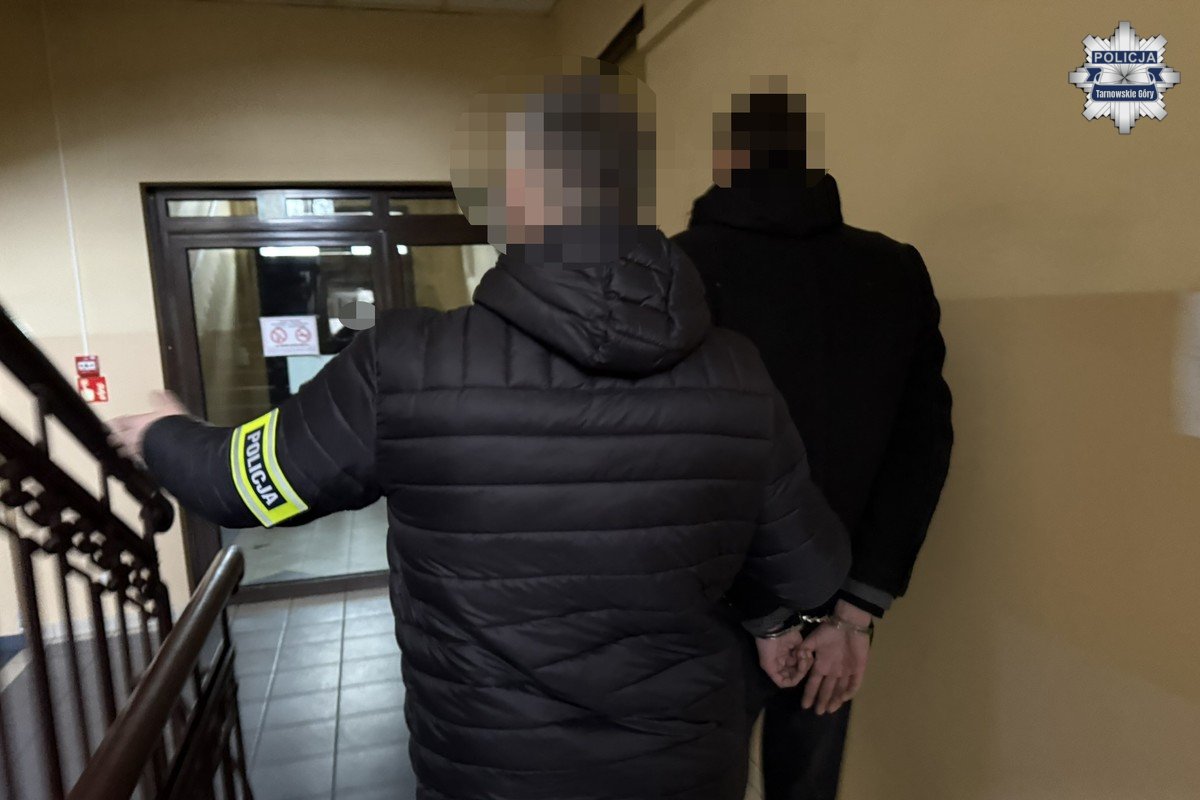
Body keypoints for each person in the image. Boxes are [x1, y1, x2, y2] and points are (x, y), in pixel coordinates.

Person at [110, 60, 850, 800]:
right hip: (686, 768)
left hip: (493, 772)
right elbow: (810, 571)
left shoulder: (408, 364)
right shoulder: (736, 370)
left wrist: (160, 431)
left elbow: (239, 487)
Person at [672, 81, 954, 800]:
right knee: (808, 787)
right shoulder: (893, 268)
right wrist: (857, 608)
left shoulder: (676, 269)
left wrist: (765, 616)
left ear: (725, 161)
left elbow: (673, 458)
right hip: (838, 606)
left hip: (708, 605)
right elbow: (922, 446)